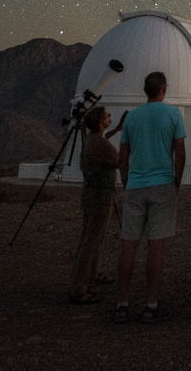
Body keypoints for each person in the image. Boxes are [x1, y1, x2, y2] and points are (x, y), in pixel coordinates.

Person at [113, 71, 187, 323]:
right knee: (156, 245)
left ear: (145, 90)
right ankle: (150, 305)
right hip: (162, 184)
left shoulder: (132, 118)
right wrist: (176, 181)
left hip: (135, 185)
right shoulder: (173, 114)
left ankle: (122, 304)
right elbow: (180, 152)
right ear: (164, 89)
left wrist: (126, 181)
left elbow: (123, 156)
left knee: (129, 243)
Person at [68, 106, 124, 303]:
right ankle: (79, 289)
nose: (110, 116)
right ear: (100, 121)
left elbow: (103, 141)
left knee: (91, 239)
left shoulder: (92, 140)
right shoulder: (99, 144)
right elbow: (118, 160)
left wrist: (116, 130)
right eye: (107, 116)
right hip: (101, 196)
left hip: (91, 194)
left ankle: (89, 277)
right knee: (91, 241)